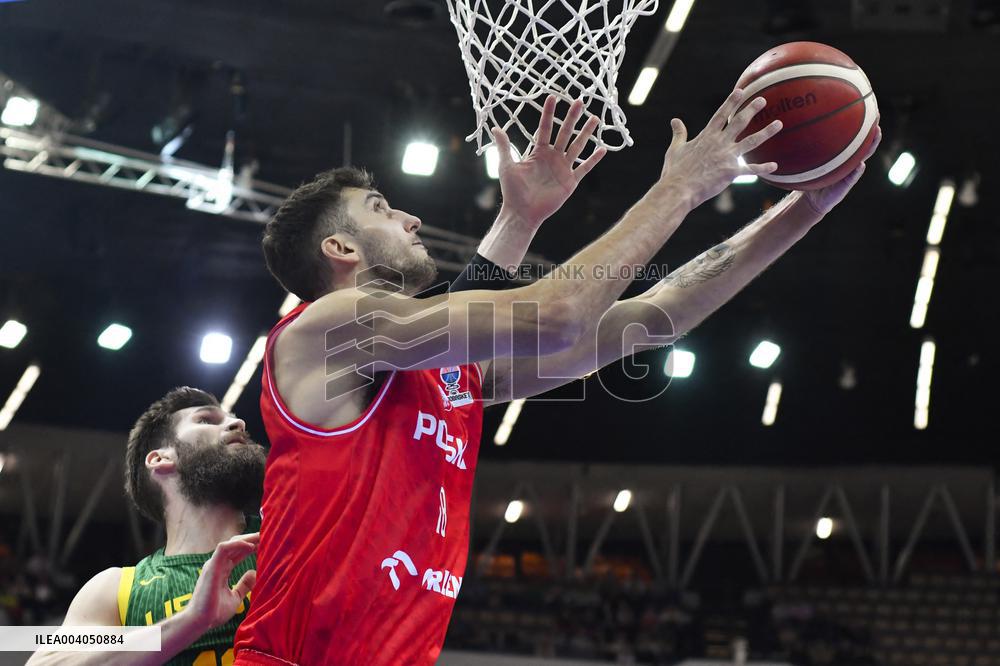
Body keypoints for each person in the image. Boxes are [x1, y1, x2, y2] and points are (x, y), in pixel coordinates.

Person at [233, 91, 880, 665]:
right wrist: (679, 187)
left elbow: (659, 316)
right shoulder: (331, 326)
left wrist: (804, 209)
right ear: (341, 250)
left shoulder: (442, 369)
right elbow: (557, 316)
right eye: (380, 209)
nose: (412, 219)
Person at [27, 388, 267, 666]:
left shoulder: (287, 539)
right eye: (206, 420)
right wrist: (191, 621)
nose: (238, 423)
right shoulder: (118, 591)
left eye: (233, 417)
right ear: (160, 458)